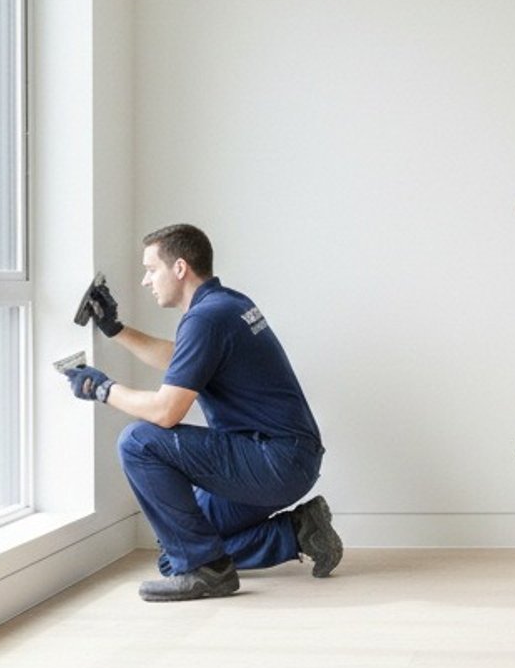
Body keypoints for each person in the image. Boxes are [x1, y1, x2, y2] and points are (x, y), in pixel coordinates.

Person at [63, 224, 342, 602]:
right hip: (286, 458)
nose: (146, 280)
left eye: (151, 269)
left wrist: (102, 389)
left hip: (273, 460)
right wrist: (115, 330)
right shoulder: (227, 304)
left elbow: (165, 413)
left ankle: (208, 573)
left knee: (139, 441)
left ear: (179, 268)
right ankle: (298, 531)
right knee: (176, 555)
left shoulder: (207, 318)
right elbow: (180, 359)